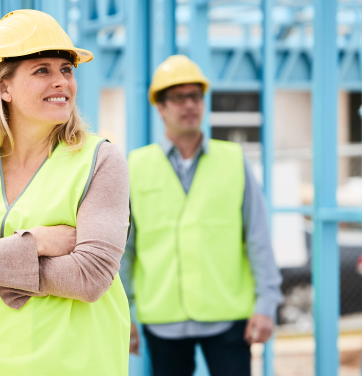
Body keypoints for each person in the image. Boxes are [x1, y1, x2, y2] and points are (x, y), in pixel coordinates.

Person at [0, 10, 130, 376]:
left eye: (66, 70)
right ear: (4, 88)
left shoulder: (100, 160)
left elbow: (90, 277)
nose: (61, 81)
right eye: (42, 70)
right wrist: (34, 244)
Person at [121, 55, 283, 376]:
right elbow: (124, 249)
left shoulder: (233, 159)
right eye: (179, 97)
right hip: (162, 318)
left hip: (227, 318)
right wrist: (123, 314)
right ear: (160, 108)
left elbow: (258, 238)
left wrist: (266, 305)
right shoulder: (135, 166)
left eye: (195, 96)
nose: (190, 105)